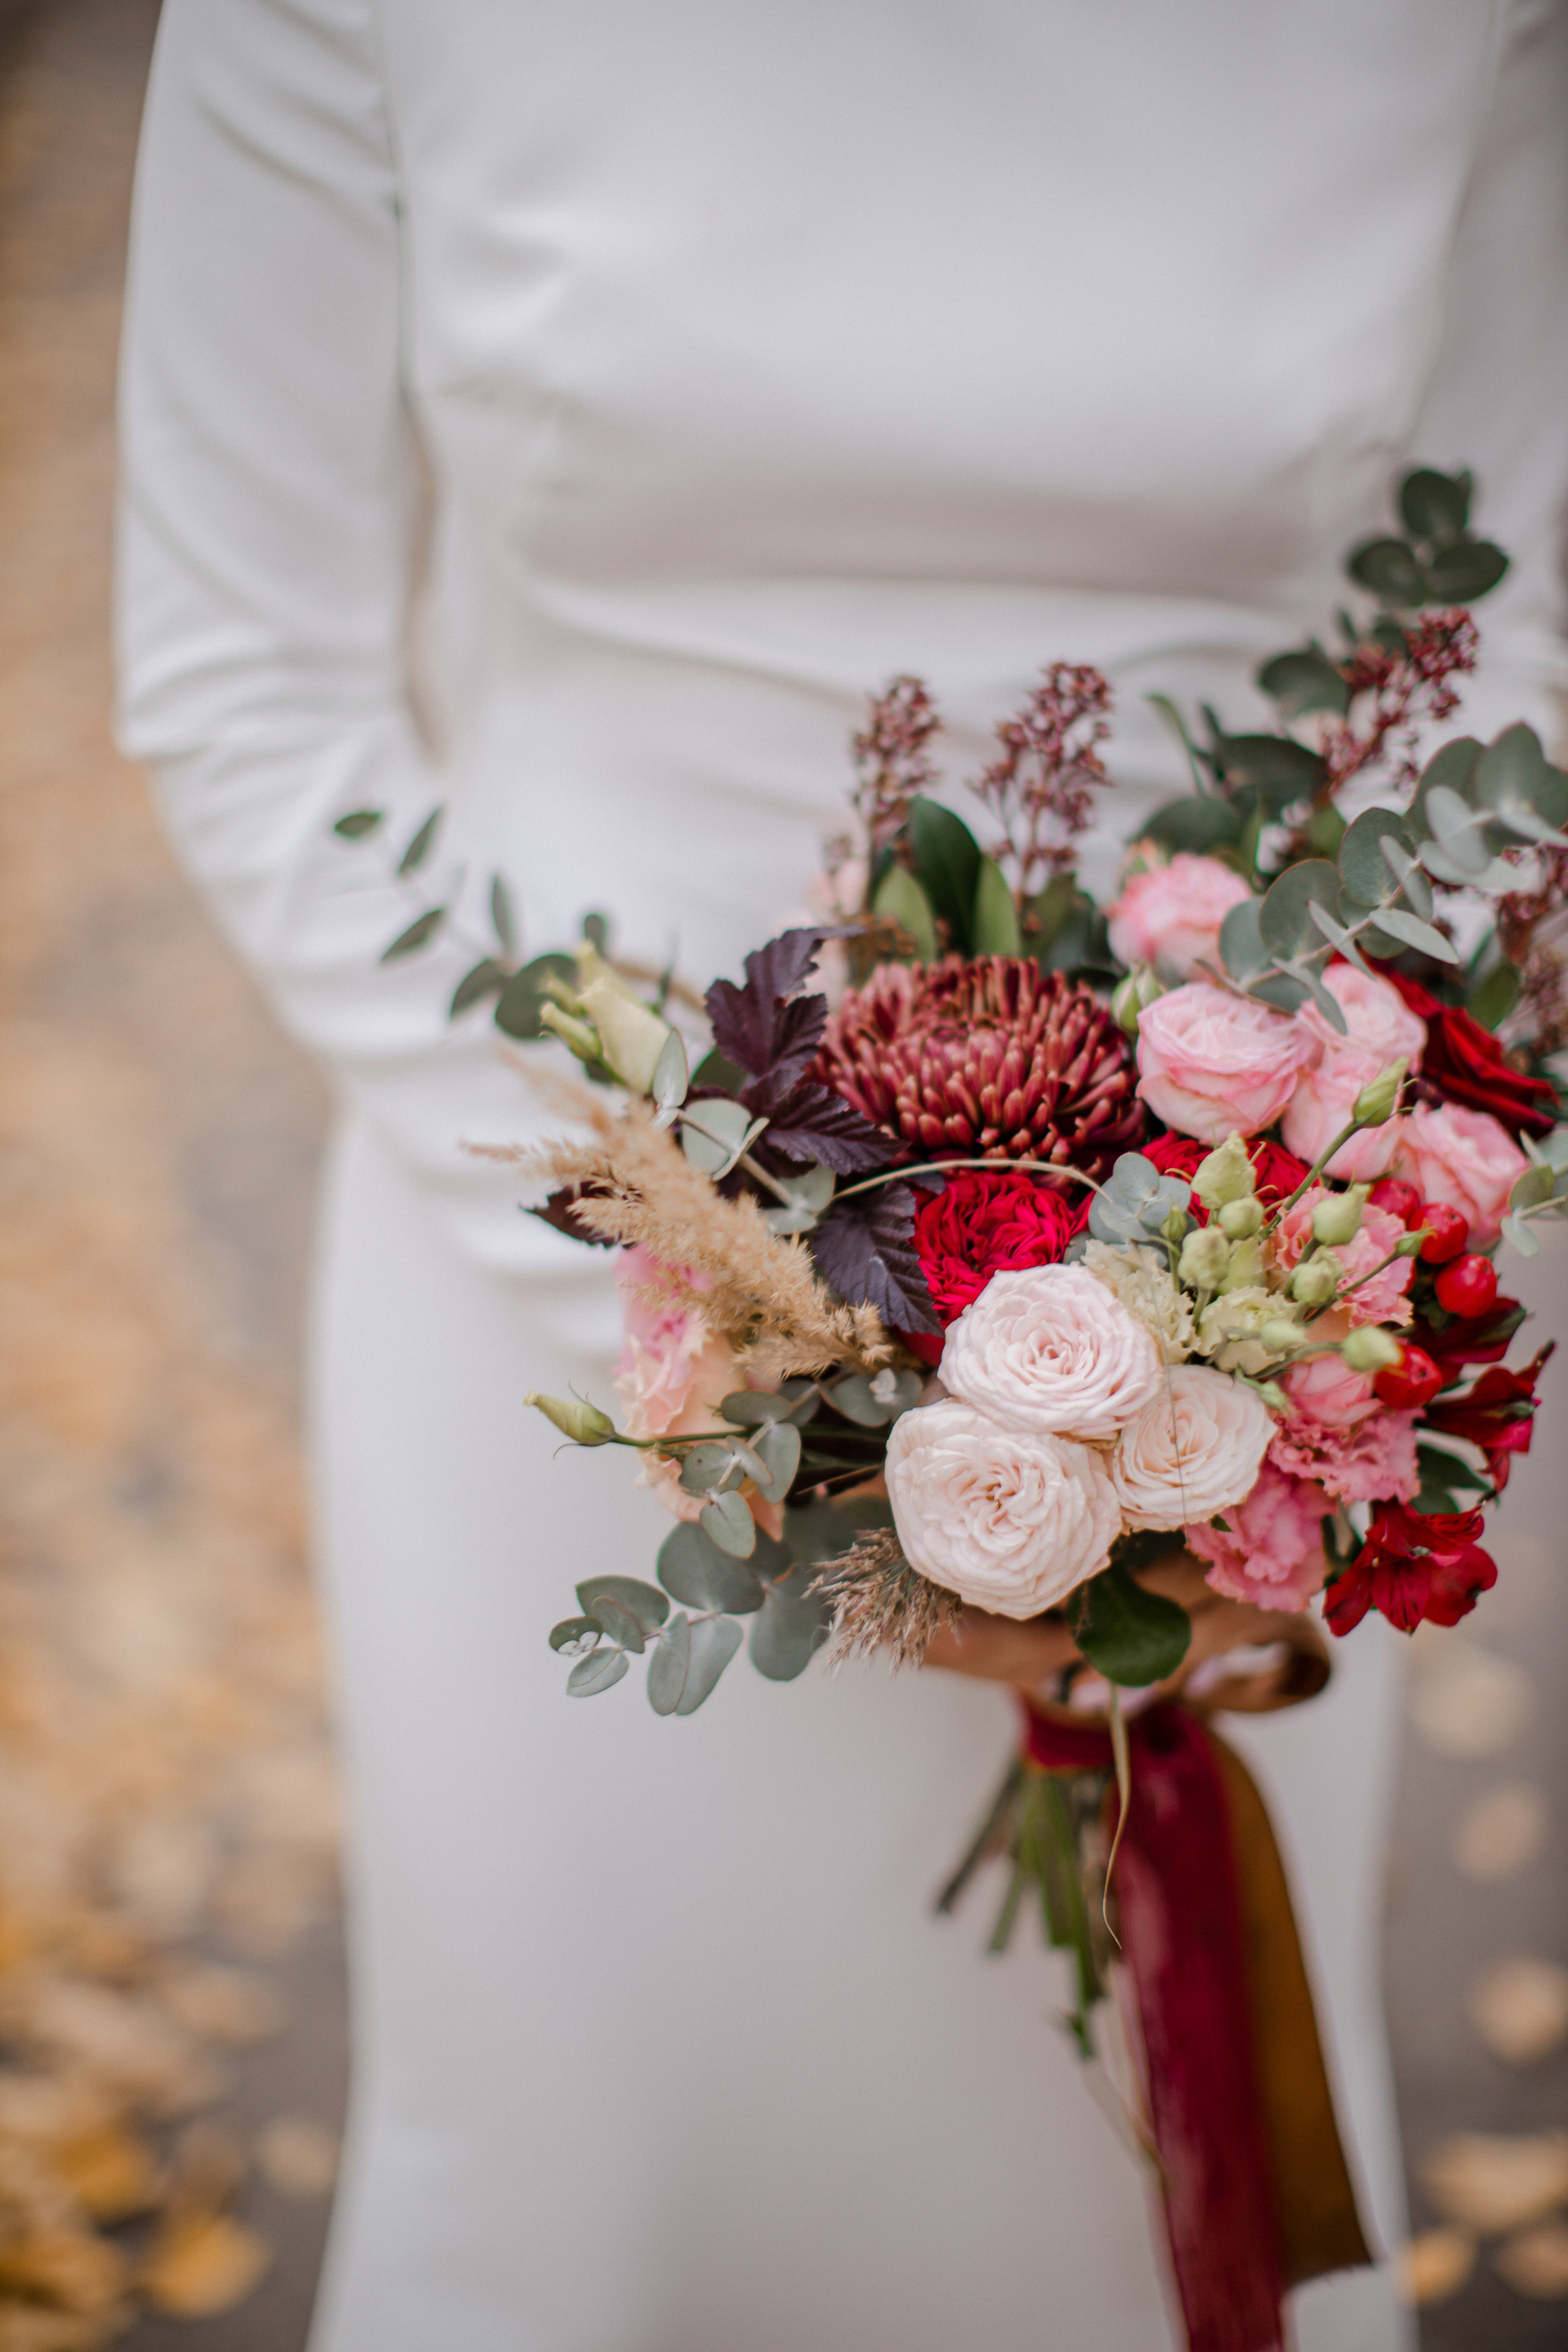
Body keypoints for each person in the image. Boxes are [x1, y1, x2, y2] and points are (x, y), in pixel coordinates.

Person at [115, 3, 1568, 2345]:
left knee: (1110, 2180)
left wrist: (1267, 1266)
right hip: (546, 1232)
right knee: (610, 2158)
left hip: (1223, 1279)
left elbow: (1504, 632)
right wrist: (746, 1307)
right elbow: (241, 674)